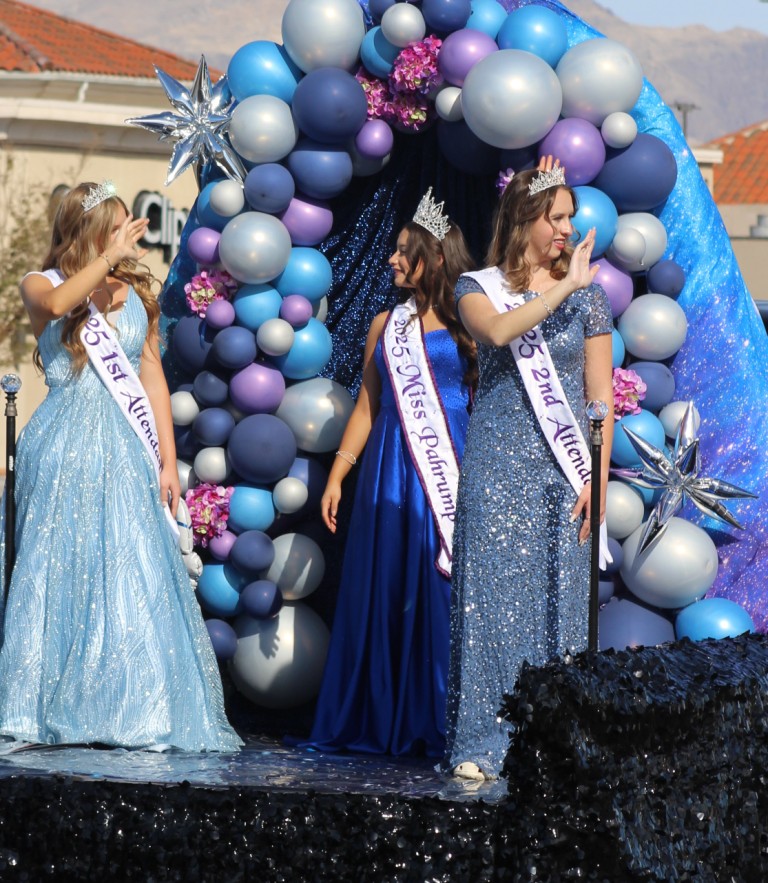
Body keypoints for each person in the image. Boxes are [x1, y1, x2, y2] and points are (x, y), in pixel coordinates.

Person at [0, 181, 242, 752]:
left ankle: (136, 707)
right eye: (117, 226)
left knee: (130, 567)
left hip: (129, 448)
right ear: (91, 231)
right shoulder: (42, 283)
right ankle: (44, 706)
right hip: (63, 446)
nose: (128, 235)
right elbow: (55, 308)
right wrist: (107, 259)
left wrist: (168, 459)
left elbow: (151, 376)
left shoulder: (133, 293)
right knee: (61, 567)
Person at [444, 160, 614, 781]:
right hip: (495, 467)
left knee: (558, 603)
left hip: (563, 472)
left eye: (570, 217)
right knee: (489, 605)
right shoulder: (476, 286)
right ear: (524, 220)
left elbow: (601, 398)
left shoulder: (591, 297)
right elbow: (495, 333)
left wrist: (598, 478)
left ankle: (551, 744)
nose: (568, 229)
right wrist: (563, 288)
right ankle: (482, 740)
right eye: (556, 217)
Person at [305, 190, 476, 757]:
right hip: (386, 467)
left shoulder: (471, 323)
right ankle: (381, 713)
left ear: (435, 256)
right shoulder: (386, 324)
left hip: (448, 464)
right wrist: (338, 474)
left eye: (405, 251)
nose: (392, 260)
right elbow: (366, 407)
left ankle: (441, 714)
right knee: (385, 585)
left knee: (439, 586)